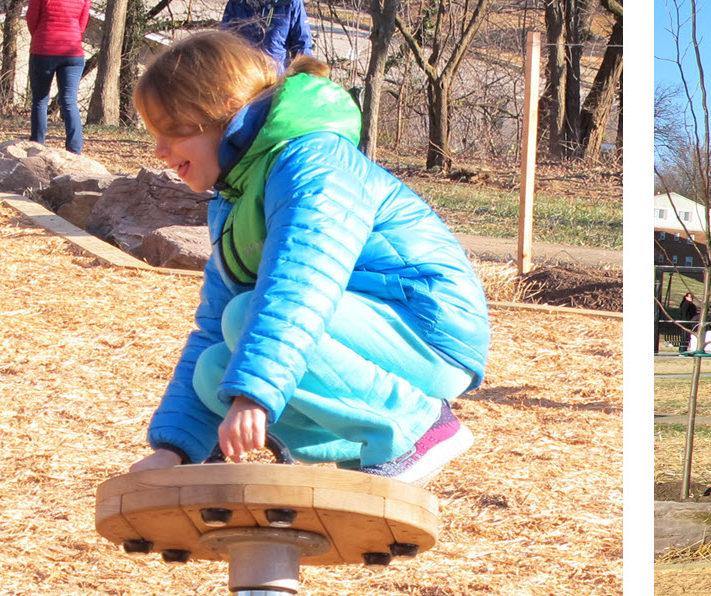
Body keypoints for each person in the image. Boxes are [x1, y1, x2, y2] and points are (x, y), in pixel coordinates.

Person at [125, 31, 490, 484]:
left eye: (171, 130)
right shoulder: (233, 198)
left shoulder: (314, 162)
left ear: (221, 109)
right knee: (215, 367)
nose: (159, 151)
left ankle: (416, 430)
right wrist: (173, 450)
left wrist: (255, 396)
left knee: (245, 322)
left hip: (427, 331)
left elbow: (301, 287)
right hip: (359, 333)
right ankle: (366, 447)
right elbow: (211, 326)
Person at [26, 0, 91, 154]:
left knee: (40, 100)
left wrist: (41, 36)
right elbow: (83, 23)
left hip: (44, 49)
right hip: (73, 51)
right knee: (69, 102)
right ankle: (74, 150)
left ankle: (37, 144)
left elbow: (32, 19)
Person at [221, 0, 314, 71]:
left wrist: (304, 82)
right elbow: (224, 44)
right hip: (246, 79)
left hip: (276, 81)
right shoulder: (237, 3)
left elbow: (302, 45)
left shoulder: (290, 3)